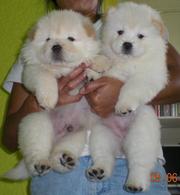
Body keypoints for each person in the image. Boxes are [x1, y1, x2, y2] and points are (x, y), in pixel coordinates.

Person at [2, 0, 180, 194]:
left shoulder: (130, 19)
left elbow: (168, 77)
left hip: (135, 159)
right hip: (57, 167)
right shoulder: (35, 46)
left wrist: (123, 93)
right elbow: (9, 139)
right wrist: (41, 100)